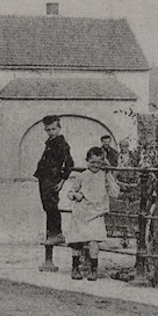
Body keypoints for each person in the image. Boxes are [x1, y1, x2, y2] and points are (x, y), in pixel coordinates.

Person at [64, 145, 122, 280]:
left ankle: (93, 270)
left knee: (93, 242)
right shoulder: (82, 176)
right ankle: (75, 268)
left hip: (96, 213)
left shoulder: (105, 176)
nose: (95, 165)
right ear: (87, 161)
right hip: (81, 213)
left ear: (103, 162)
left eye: (99, 162)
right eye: (92, 162)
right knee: (77, 242)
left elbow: (115, 193)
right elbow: (70, 192)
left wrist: (109, 177)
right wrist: (75, 195)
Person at [34, 115, 74, 272]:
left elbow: (69, 163)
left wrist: (62, 180)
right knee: (46, 206)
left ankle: (57, 233)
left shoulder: (61, 143)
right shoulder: (50, 142)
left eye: (53, 129)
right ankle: (52, 233)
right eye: (48, 129)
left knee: (51, 205)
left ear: (59, 128)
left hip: (52, 178)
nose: (50, 132)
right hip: (44, 177)